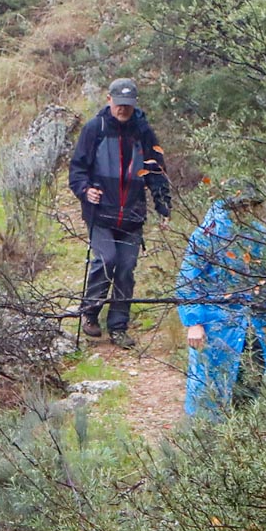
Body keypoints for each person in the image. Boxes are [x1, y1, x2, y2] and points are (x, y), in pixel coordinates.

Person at [68, 77, 171, 349]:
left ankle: (118, 326)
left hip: (133, 216)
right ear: (109, 100)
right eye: (118, 103)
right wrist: (85, 190)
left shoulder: (143, 131)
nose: (122, 109)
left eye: (128, 104)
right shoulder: (95, 128)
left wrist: (163, 206)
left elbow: (156, 171)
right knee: (106, 260)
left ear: (134, 104)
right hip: (101, 214)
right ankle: (90, 312)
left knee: (125, 269)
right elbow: (77, 169)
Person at [177, 180, 266, 419]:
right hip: (214, 323)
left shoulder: (258, 234)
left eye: (253, 205)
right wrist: (194, 322)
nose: (249, 210)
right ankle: (204, 434)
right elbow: (188, 279)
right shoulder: (207, 235)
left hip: (249, 323)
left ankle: (246, 432)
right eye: (245, 205)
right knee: (209, 386)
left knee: (251, 379)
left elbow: (265, 278)